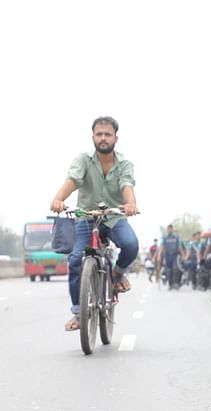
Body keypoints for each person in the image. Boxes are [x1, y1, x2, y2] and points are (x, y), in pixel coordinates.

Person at [50, 116, 139, 331]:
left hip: (114, 217)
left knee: (131, 245)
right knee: (74, 260)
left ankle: (116, 275)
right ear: (93, 137)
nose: (103, 138)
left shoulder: (124, 163)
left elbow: (126, 184)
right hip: (86, 217)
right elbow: (72, 180)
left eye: (107, 134)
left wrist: (130, 204)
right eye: (99, 134)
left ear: (116, 138)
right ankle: (78, 313)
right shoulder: (83, 160)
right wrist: (58, 198)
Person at [157, 224, 185, 290]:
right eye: (168, 228)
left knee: (175, 269)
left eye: (171, 228)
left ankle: (175, 284)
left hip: (175, 255)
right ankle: (170, 285)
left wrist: (183, 255)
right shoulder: (165, 237)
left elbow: (179, 247)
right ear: (167, 230)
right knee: (169, 270)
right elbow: (162, 247)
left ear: (173, 229)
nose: (170, 230)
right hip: (167, 255)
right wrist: (159, 255)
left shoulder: (176, 237)